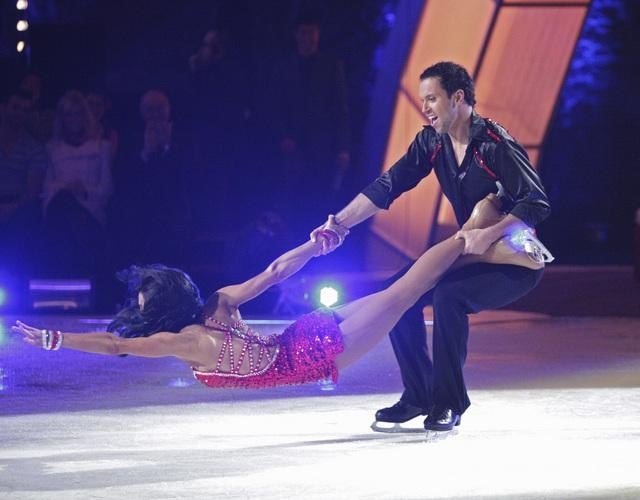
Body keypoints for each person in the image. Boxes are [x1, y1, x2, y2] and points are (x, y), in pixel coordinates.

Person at [13, 194, 543, 393]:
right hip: (306, 333)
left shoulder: (186, 341)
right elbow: (273, 271)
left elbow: (115, 345)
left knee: (407, 289)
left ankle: (476, 230)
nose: (140, 315)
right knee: (402, 290)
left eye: (145, 307)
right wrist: (313, 247)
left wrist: (55, 340)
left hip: (317, 352)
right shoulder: (218, 300)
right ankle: (477, 233)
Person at [311, 61, 551, 431]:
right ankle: (418, 396)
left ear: (457, 98)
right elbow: (387, 186)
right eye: (423, 99)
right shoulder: (432, 142)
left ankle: (448, 403)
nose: (425, 107)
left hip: (510, 262)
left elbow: (536, 202)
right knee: (398, 294)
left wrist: (489, 233)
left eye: (432, 98)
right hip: (468, 253)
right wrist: (339, 224)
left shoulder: (494, 145)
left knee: (448, 298)